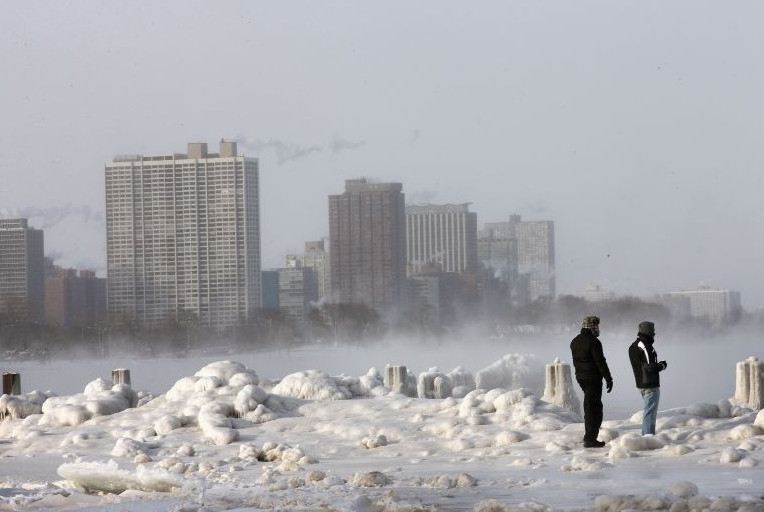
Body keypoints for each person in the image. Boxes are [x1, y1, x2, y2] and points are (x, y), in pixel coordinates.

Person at [570, 315, 613, 448]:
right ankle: (590, 438)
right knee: (594, 408)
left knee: (590, 405)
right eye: (597, 326)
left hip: (581, 377)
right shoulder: (594, 342)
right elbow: (600, 362)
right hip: (593, 378)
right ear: (592, 327)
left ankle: (589, 436)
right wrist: (608, 378)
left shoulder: (575, 341)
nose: (598, 329)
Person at [628, 321, 667, 435]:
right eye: (653, 330)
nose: (654, 333)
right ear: (648, 331)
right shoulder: (644, 345)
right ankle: (648, 437)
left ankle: (647, 436)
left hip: (641, 384)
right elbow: (650, 367)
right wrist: (662, 365)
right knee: (650, 413)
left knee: (648, 412)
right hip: (650, 385)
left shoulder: (634, 346)